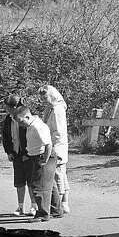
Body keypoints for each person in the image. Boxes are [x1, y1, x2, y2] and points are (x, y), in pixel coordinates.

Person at [13, 102, 53, 220]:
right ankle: (56, 210)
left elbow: (48, 145)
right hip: (36, 156)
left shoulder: (37, 126)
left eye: (20, 121)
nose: (20, 124)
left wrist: (45, 159)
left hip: (43, 156)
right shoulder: (31, 124)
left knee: (38, 185)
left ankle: (42, 214)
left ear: (27, 116)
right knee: (51, 185)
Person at [38, 84, 70, 217]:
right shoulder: (50, 109)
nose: (44, 100)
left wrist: (53, 148)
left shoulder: (57, 110)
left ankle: (61, 204)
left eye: (45, 97)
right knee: (60, 174)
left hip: (57, 145)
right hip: (52, 144)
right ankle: (63, 203)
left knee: (57, 175)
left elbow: (58, 132)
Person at [1, 94, 29, 215]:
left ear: (15, 106)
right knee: (19, 182)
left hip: (28, 154)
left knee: (31, 182)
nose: (6, 110)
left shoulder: (26, 117)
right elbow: (6, 137)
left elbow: (31, 137)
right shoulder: (8, 119)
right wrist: (9, 152)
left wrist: (27, 153)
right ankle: (20, 207)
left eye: (8, 108)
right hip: (16, 153)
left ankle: (33, 207)